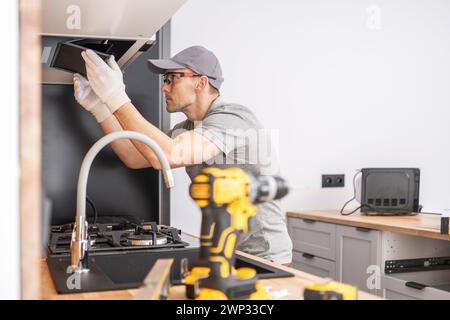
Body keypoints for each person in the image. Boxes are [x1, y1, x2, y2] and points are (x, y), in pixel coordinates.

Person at [74, 45, 293, 265]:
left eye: (171, 79)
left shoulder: (234, 118)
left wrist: (115, 97)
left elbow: (171, 154)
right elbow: (135, 155)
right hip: (225, 252)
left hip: (263, 255)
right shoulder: (187, 129)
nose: (164, 88)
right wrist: (99, 108)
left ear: (201, 82)